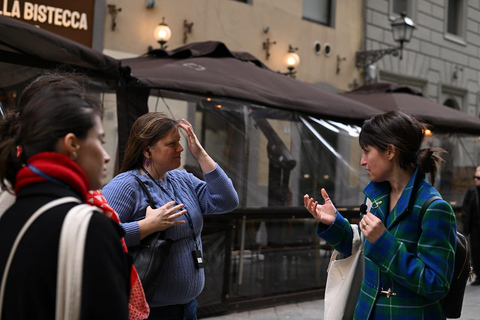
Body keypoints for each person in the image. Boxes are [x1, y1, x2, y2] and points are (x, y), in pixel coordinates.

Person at [0, 71, 150, 319]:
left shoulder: (11, 213)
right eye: (100, 140)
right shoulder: (91, 227)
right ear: (71, 144)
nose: (107, 155)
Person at [304, 111, 457, 319]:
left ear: (390, 151)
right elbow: (362, 248)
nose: (362, 161)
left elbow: (437, 284)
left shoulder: (434, 207)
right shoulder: (376, 197)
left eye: (367, 151)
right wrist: (334, 223)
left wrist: (384, 242)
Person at [102, 112, 239, 320]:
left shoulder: (182, 179)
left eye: (180, 142)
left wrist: (200, 154)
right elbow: (100, 237)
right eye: (171, 144)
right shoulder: (125, 185)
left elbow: (226, 201)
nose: (180, 149)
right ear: (147, 150)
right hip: (150, 312)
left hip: (188, 307)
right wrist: (147, 226)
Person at [461, 166, 480, 285]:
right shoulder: (472, 192)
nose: (475, 180)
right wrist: (466, 226)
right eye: (475, 177)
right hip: (475, 228)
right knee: (476, 251)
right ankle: (479, 275)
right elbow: (465, 209)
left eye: (478, 178)